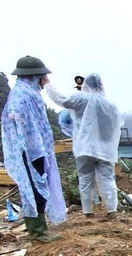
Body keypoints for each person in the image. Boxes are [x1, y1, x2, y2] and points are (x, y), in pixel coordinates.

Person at [1, 56, 67, 242]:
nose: (45, 80)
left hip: (38, 148)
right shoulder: (21, 94)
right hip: (30, 150)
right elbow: (18, 119)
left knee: (40, 186)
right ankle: (37, 231)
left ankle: (39, 228)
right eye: (43, 76)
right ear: (34, 76)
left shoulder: (29, 92)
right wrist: (30, 143)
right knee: (35, 188)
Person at [46, 73, 122, 220]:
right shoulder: (111, 105)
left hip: (85, 147)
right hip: (105, 150)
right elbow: (116, 127)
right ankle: (111, 210)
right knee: (107, 179)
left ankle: (88, 211)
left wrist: (48, 85)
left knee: (86, 179)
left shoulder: (81, 98)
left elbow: (62, 100)